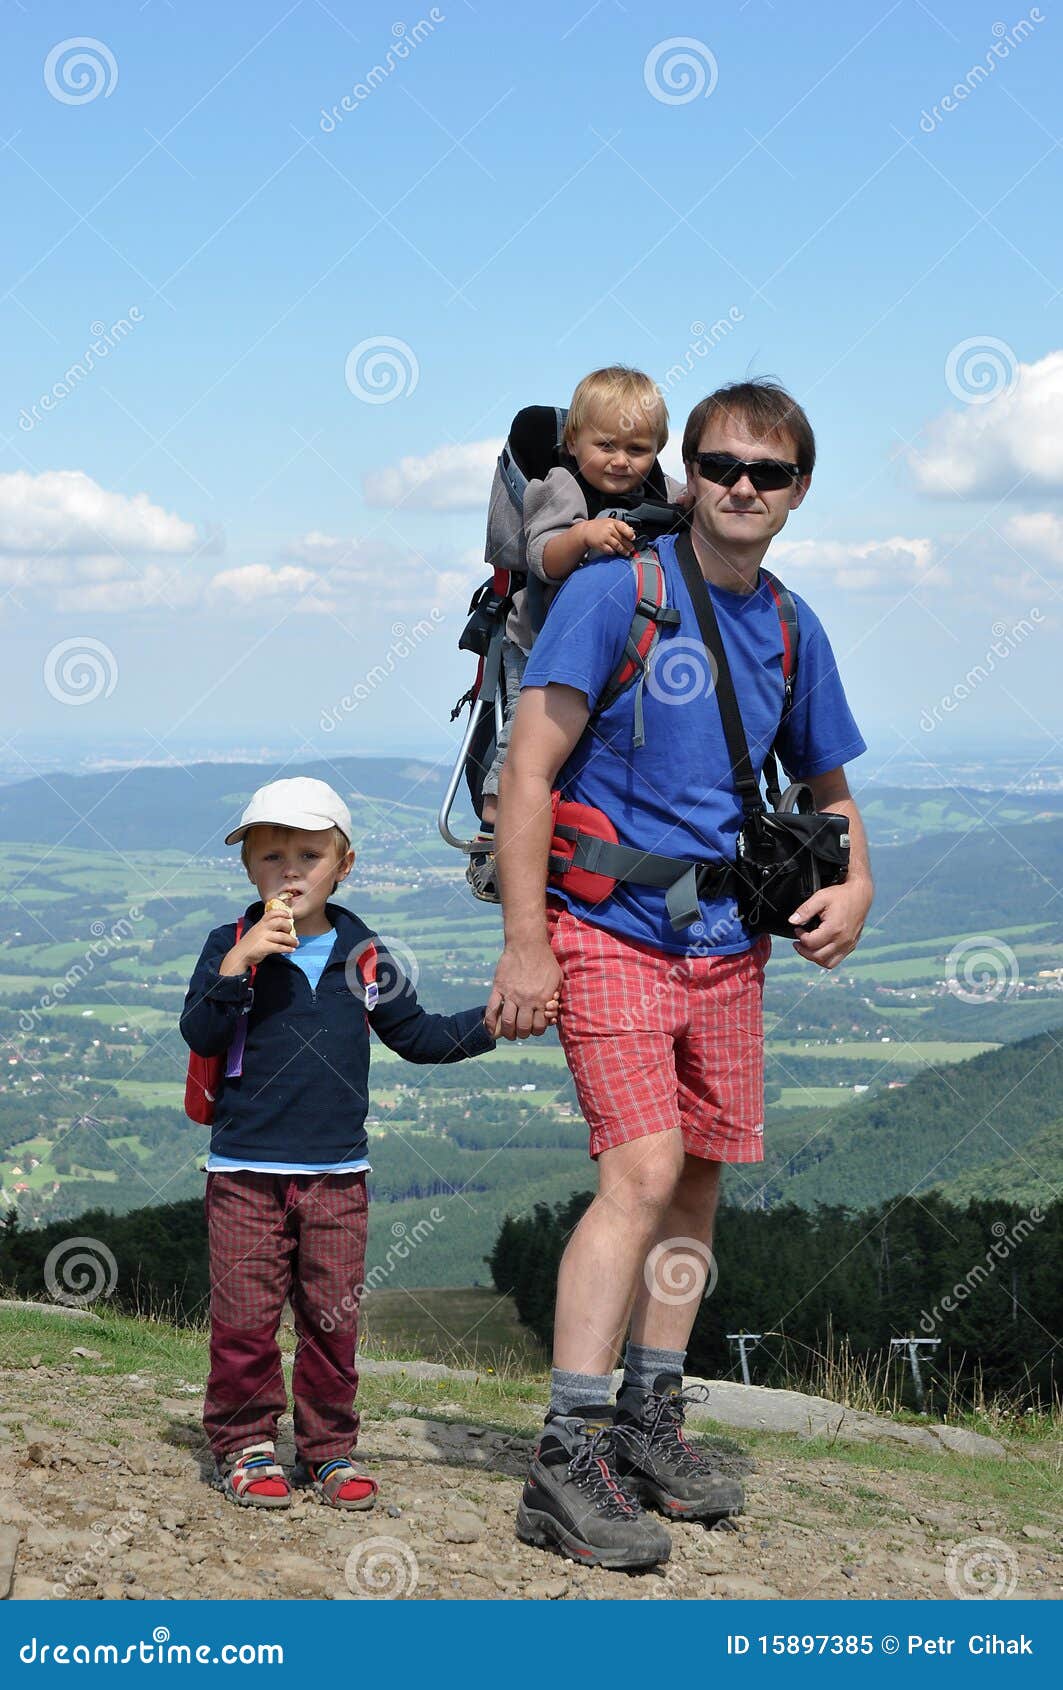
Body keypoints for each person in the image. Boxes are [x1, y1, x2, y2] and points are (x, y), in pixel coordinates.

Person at [486, 380, 873, 1570]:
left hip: (724, 944)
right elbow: (530, 773)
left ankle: (650, 1421)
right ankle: (566, 1454)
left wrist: (855, 886)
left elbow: (830, 794)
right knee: (641, 1170)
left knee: (697, 1182)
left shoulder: (794, 626)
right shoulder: (612, 593)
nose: (740, 488)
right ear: (686, 475)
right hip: (604, 925)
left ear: (798, 489)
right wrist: (525, 939)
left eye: (765, 472)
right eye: (717, 466)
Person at [180, 776, 498, 1511]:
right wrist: (239, 966)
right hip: (243, 1171)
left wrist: (495, 1021)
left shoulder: (365, 954)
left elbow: (417, 1037)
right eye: (269, 857)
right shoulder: (225, 945)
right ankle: (245, 1444)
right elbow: (200, 1032)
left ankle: (327, 1450)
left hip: (336, 1177)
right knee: (245, 1323)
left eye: (308, 854)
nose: (288, 871)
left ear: (343, 864)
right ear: (247, 868)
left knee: (332, 1322)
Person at [469, 365, 685, 895]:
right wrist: (583, 534)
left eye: (637, 448)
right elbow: (542, 555)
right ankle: (497, 829)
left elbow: (688, 509)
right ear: (574, 441)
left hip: (613, 648)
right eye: (605, 444)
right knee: (522, 732)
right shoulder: (562, 485)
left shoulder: (659, 488)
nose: (620, 460)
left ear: (657, 448)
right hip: (539, 639)